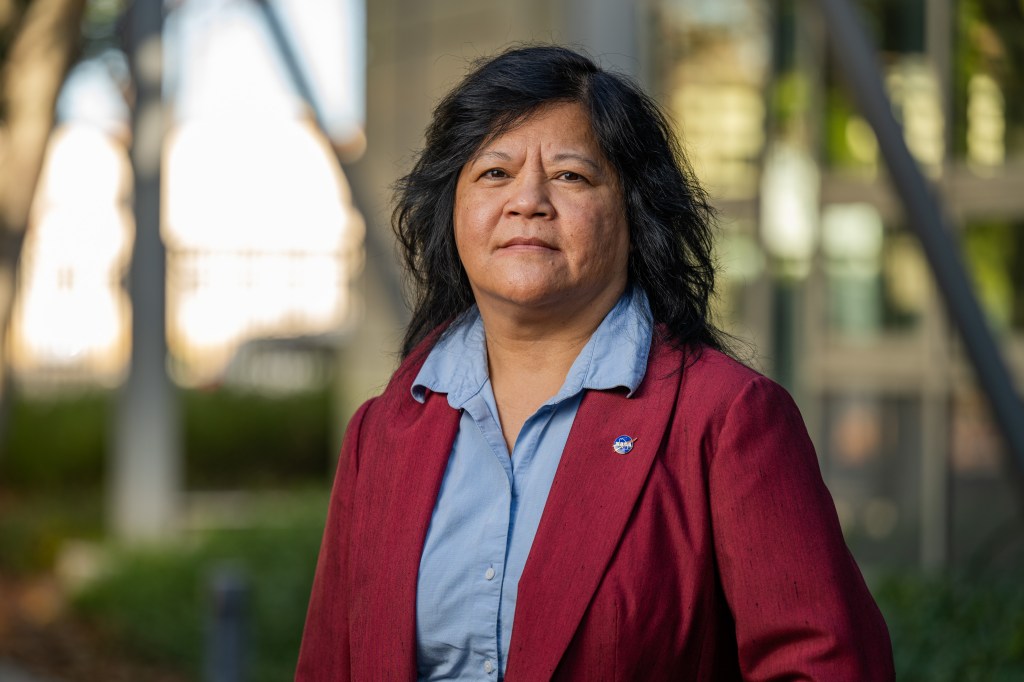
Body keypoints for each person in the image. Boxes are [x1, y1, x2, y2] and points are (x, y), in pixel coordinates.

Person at [296, 45, 894, 681]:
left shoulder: (726, 419)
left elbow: (824, 668)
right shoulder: (381, 433)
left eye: (570, 176)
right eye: (494, 173)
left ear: (634, 212)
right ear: (452, 210)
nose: (528, 200)